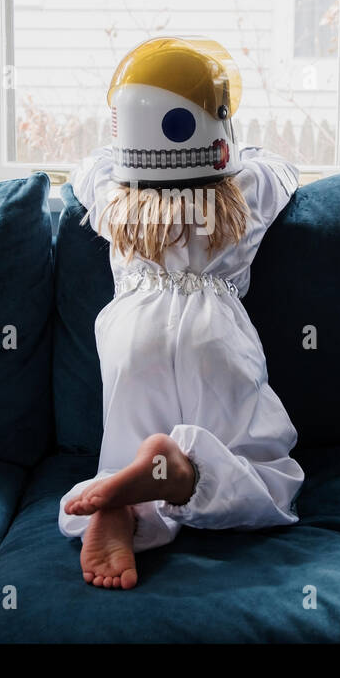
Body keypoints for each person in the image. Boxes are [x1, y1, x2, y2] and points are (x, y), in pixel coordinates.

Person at [59, 36, 304, 590]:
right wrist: (230, 155)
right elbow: (282, 168)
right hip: (214, 335)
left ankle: (121, 504)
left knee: (120, 450)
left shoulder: (113, 195)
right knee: (267, 473)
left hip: (130, 336)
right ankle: (181, 469)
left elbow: (88, 165)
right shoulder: (244, 191)